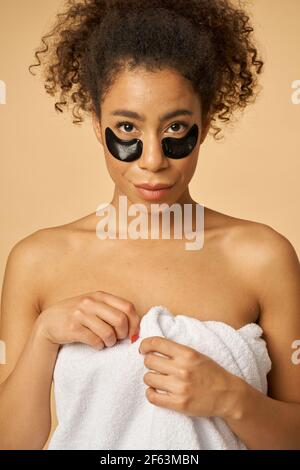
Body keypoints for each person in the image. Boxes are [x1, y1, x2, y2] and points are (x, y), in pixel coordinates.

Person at [0, 0, 299, 450]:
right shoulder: (37, 261)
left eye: (177, 131)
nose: (154, 160)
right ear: (98, 125)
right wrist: (44, 334)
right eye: (127, 130)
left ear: (205, 122)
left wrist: (233, 399)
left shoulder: (263, 257)